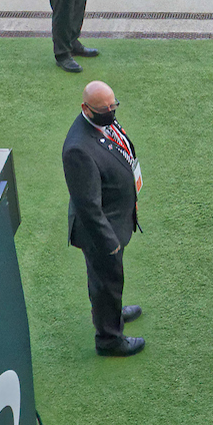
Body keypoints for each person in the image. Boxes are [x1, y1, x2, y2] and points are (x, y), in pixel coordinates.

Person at [62, 80, 144, 355]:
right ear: (86, 108)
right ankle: (109, 339)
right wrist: (110, 242)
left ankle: (113, 313)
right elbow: (87, 206)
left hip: (114, 220)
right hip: (100, 231)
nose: (111, 111)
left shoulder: (101, 123)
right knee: (106, 280)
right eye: (104, 108)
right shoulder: (78, 149)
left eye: (113, 105)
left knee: (109, 279)